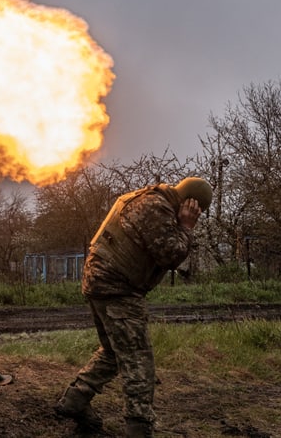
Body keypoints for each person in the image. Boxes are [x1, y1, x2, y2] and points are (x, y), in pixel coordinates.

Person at [55, 177, 212, 437]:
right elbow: (171, 254)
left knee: (113, 351)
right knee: (138, 360)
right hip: (118, 289)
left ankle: (74, 401)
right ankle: (139, 427)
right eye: (197, 210)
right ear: (190, 203)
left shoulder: (145, 197)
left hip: (101, 282)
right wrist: (186, 226)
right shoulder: (157, 208)